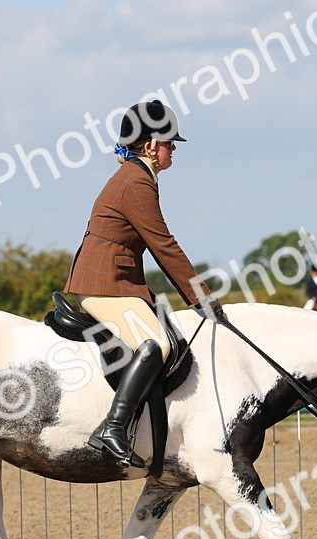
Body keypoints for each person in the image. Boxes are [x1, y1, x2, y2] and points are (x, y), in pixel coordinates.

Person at [64, 99, 222, 468]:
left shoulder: (138, 177)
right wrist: (202, 298)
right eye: (169, 143)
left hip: (115, 281)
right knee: (156, 344)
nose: (174, 150)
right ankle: (113, 427)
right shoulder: (136, 182)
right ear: (150, 145)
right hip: (104, 283)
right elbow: (163, 245)